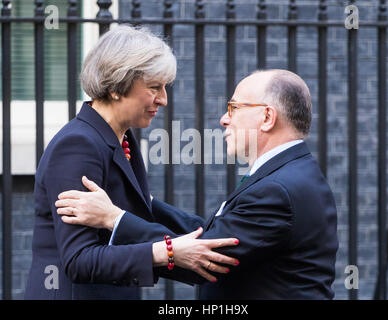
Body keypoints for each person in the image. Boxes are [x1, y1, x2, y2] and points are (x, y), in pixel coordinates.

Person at [56, 69, 339, 299]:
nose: (224, 118)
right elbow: (214, 233)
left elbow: (207, 257)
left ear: (267, 117)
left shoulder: (277, 189)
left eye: (234, 107)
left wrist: (114, 218)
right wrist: (145, 203)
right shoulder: (291, 174)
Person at [24, 25, 239, 300]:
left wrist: (205, 237)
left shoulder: (120, 137)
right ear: (116, 87)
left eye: (165, 87)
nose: (163, 100)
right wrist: (167, 251)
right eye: (154, 88)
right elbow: (79, 260)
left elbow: (139, 211)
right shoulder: (77, 145)